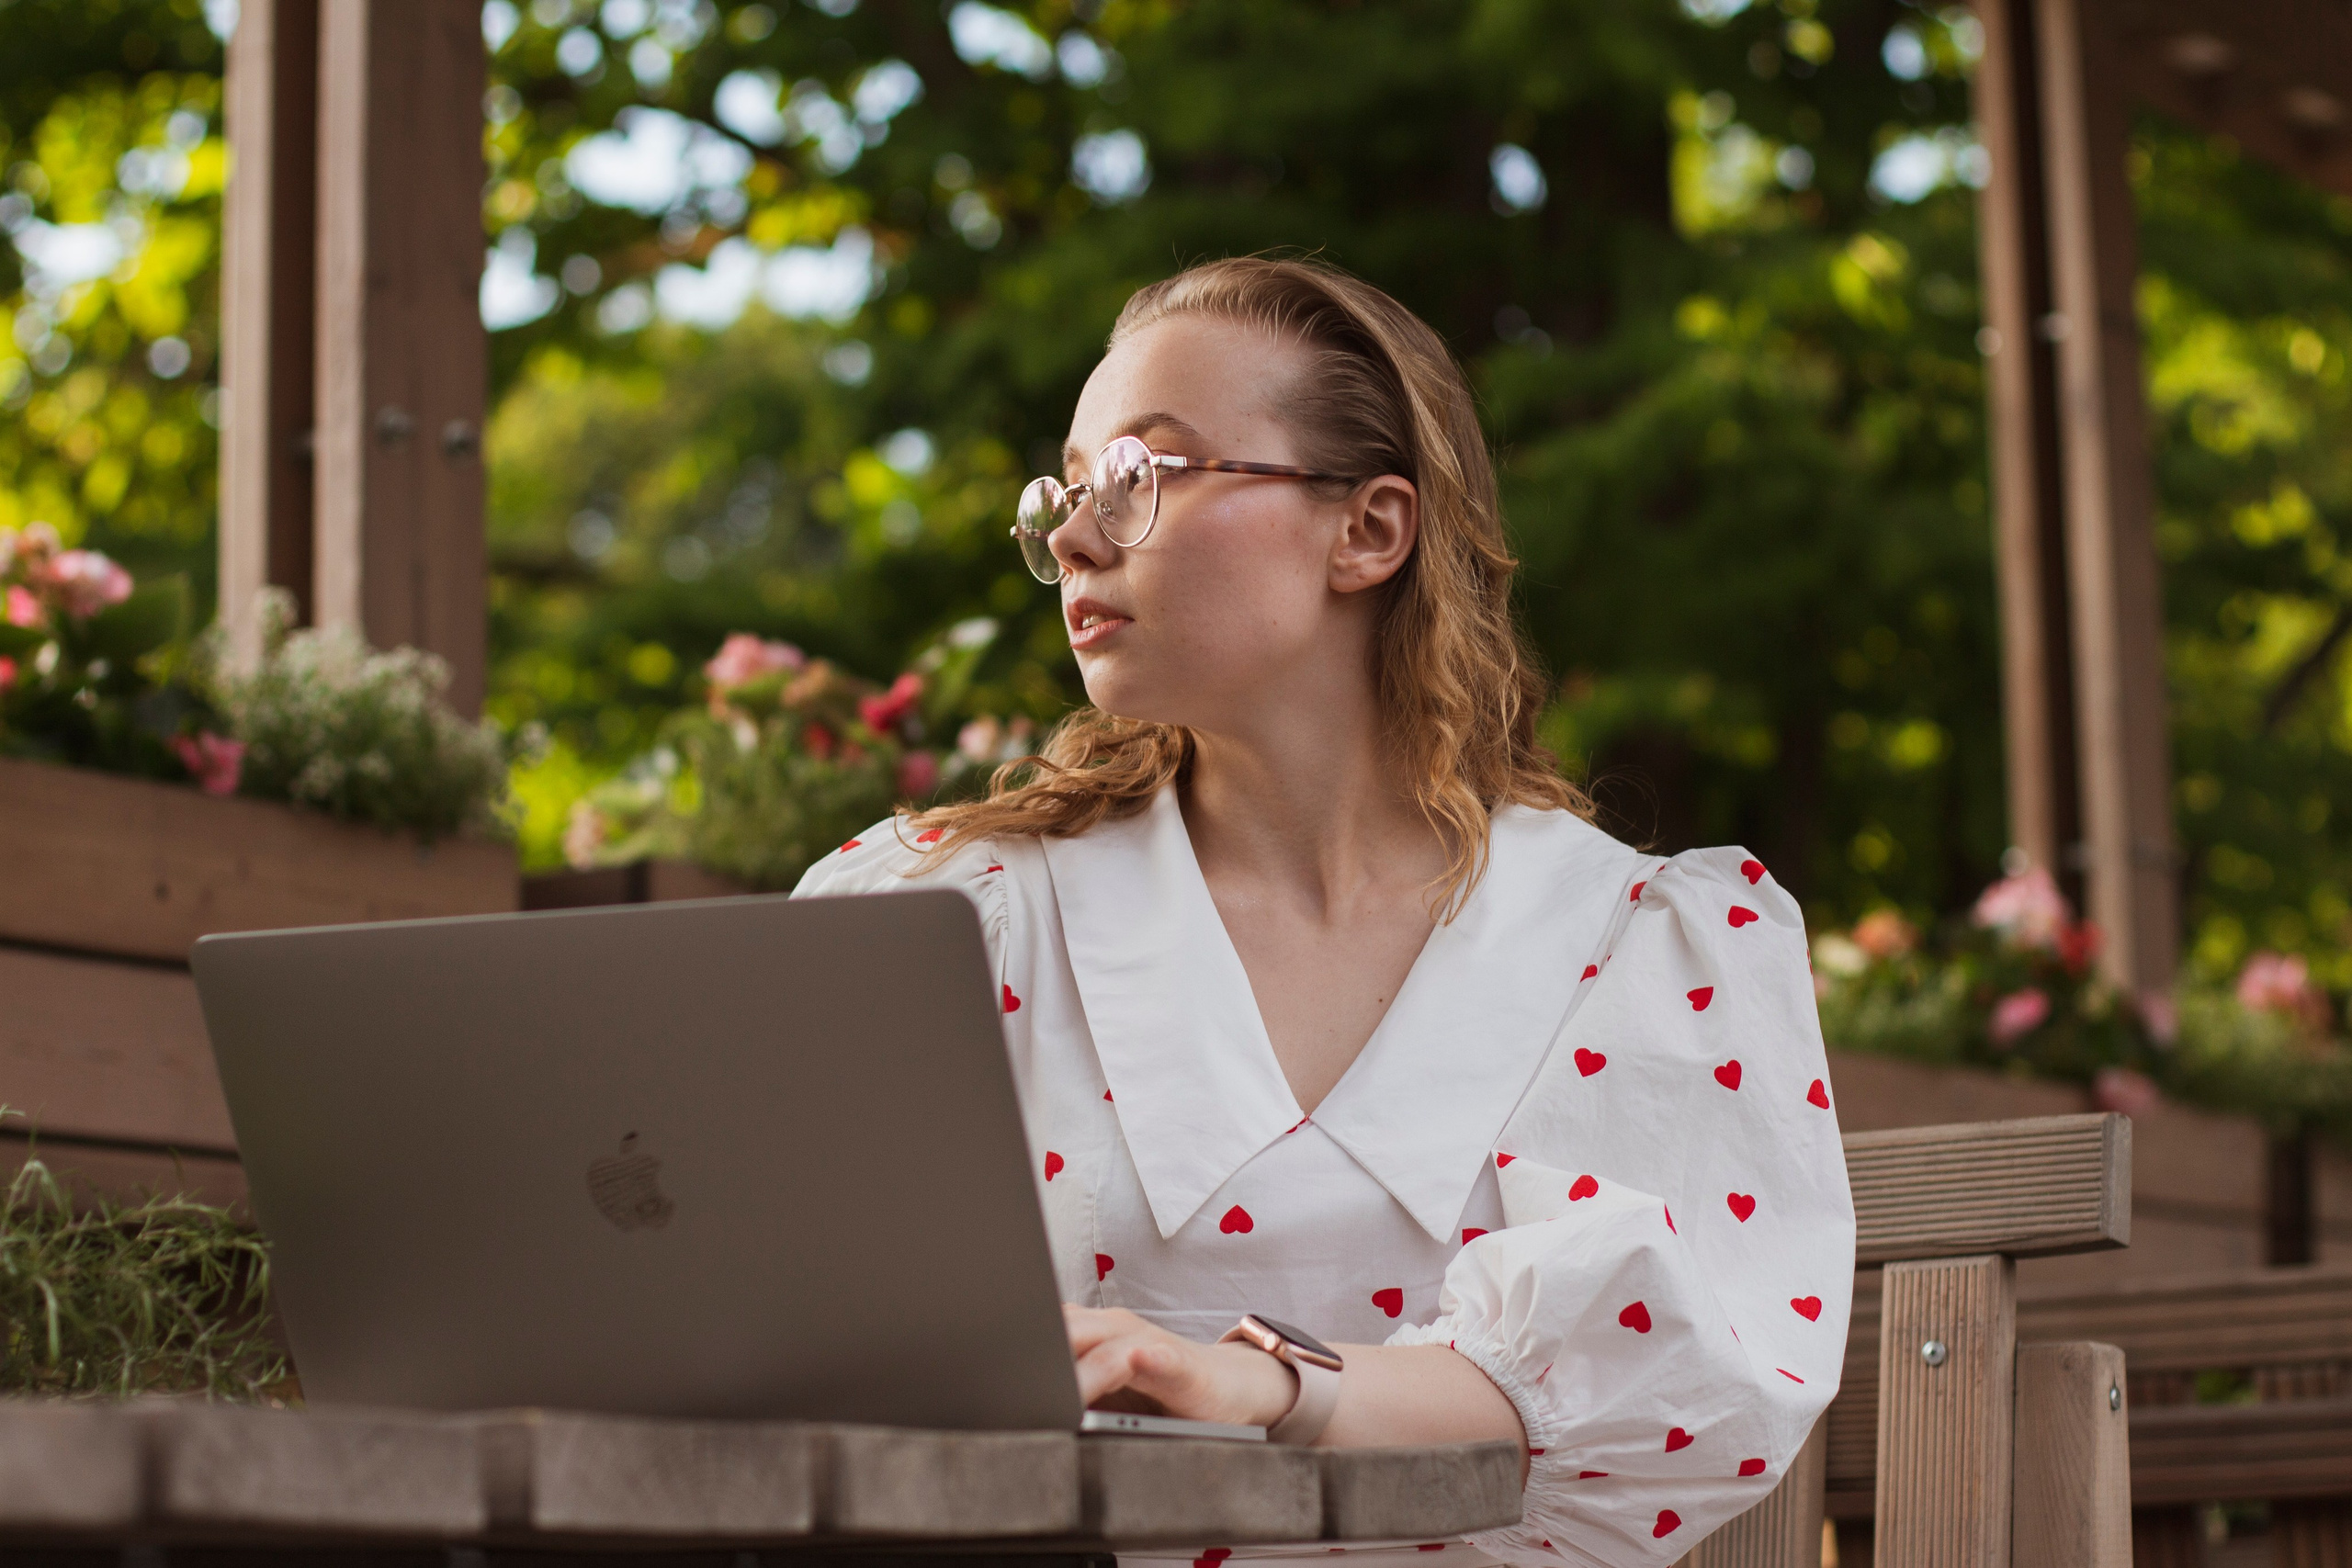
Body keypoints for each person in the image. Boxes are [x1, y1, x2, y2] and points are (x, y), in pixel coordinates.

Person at [793, 256, 1854, 1568]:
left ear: (1369, 530)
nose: (1074, 534)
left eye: (1142, 474)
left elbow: (1640, 1391)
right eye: (1069, 489)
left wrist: (1271, 1386)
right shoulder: (951, 917)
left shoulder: (1633, 946)